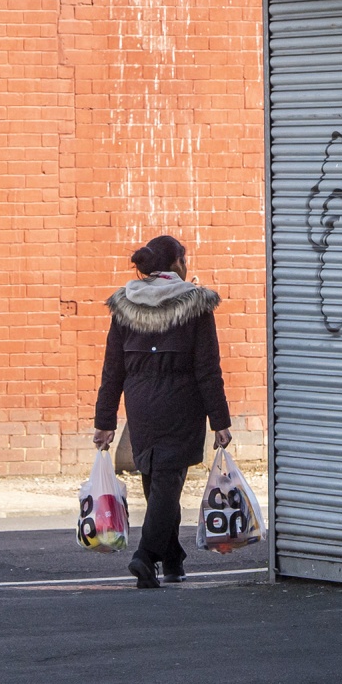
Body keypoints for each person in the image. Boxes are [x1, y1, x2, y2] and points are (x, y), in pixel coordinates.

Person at [92, 234, 232, 588]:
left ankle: (172, 560)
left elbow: (113, 369)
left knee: (156, 478)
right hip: (181, 402)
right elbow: (207, 369)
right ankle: (146, 555)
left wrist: (105, 421)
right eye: (185, 257)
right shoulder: (196, 303)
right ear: (176, 263)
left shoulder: (125, 304)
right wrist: (220, 421)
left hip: (140, 403)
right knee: (167, 481)